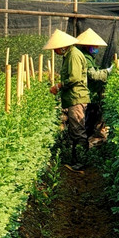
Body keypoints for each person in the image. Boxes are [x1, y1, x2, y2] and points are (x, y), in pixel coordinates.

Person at [44, 29, 90, 171]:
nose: (55, 51)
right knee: (75, 130)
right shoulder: (70, 54)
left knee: (78, 130)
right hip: (73, 98)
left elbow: (75, 78)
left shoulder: (73, 55)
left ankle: (82, 162)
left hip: (76, 97)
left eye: (56, 48)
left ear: (63, 46)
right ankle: (76, 160)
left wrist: (58, 86)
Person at [74, 28, 111, 147]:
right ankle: (84, 145)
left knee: (90, 118)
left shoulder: (87, 56)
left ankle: (85, 144)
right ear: (87, 46)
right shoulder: (85, 58)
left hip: (88, 92)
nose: (96, 48)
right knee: (88, 119)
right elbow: (93, 75)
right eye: (94, 46)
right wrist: (107, 72)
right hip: (86, 93)